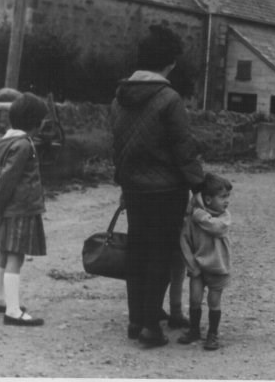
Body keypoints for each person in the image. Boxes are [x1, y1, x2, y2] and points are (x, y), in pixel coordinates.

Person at [111, 24, 204, 347]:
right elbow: (183, 146)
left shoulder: (120, 97)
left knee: (137, 251)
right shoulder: (168, 98)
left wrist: (123, 183)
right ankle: (152, 326)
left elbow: (118, 145)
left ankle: (136, 320)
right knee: (160, 255)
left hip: (134, 189)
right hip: (166, 190)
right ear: (170, 62)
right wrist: (199, 185)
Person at [0, 93, 49, 326]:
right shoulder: (23, 145)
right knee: (16, 255)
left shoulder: (6, 142)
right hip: (20, 209)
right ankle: (12, 311)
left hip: (9, 209)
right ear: (34, 122)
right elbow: (8, 179)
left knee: (5, 252)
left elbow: (2, 179)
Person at [178, 173, 233, 351]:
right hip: (198, 266)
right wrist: (191, 264)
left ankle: (212, 333)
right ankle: (194, 330)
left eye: (228, 197)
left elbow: (216, 228)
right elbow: (184, 241)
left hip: (218, 266)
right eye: (223, 197)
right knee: (194, 299)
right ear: (208, 199)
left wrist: (199, 215)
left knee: (213, 301)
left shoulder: (224, 217)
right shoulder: (191, 218)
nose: (227, 201)